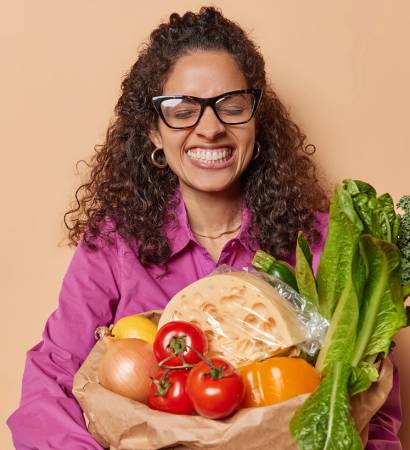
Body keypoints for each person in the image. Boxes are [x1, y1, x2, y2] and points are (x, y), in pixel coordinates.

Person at [8, 7, 402, 449]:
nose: (210, 129)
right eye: (181, 110)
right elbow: (49, 381)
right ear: (155, 133)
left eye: (231, 106)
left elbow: (374, 416)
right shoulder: (114, 244)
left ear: (256, 121)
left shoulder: (324, 245)